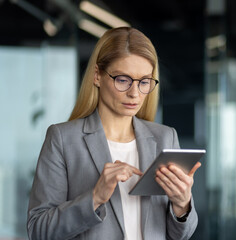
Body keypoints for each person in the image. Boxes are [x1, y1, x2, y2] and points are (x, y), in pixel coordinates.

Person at [27, 27, 201, 240]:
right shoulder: (63, 139)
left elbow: (180, 235)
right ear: (97, 76)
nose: (134, 93)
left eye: (144, 82)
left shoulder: (165, 137)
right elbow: (38, 231)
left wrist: (182, 204)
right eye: (123, 79)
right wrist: (94, 198)